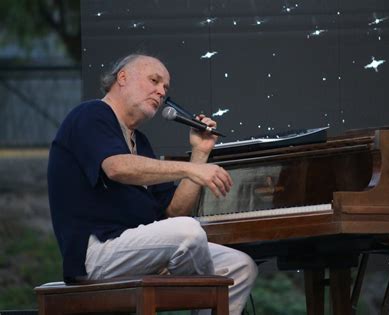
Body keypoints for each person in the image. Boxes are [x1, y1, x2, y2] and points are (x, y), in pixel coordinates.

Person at [47, 53, 258, 314]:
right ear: (122, 77)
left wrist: (200, 154)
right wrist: (191, 170)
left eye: (165, 87)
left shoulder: (141, 142)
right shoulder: (92, 114)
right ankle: (204, 301)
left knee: (239, 265)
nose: (161, 92)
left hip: (141, 250)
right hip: (97, 253)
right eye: (154, 80)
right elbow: (117, 167)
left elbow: (174, 212)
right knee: (188, 232)